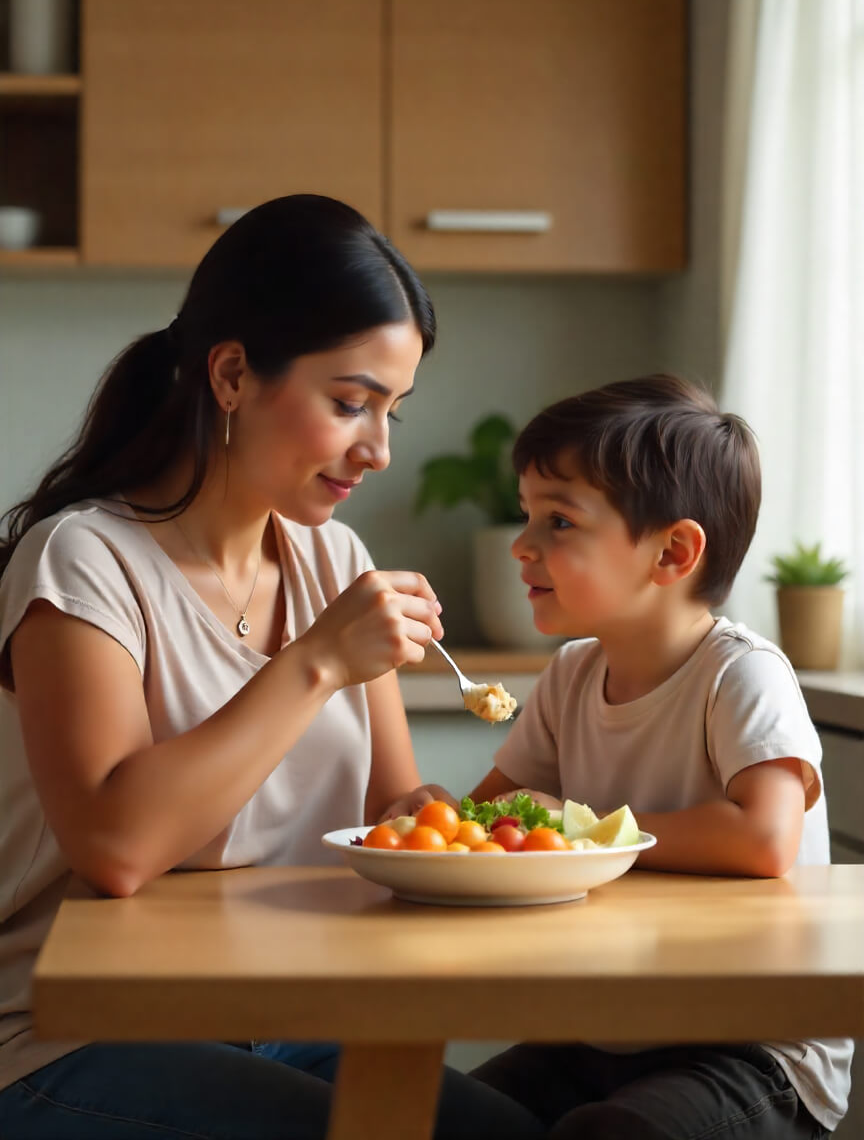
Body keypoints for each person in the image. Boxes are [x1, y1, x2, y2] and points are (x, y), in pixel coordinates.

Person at [0, 195, 544, 1140]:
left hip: (283, 1016)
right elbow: (115, 848)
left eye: (392, 412)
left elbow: (391, 806)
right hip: (69, 1035)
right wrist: (317, 660)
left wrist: (447, 824)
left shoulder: (335, 561)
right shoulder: (82, 561)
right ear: (232, 375)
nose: (379, 450)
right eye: (351, 404)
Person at [402, 375, 851, 1138]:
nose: (522, 545)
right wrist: (438, 817)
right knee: (429, 1119)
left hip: (750, 1049)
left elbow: (765, 838)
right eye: (526, 515)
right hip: (602, 1034)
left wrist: (581, 830)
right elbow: (498, 816)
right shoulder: (571, 674)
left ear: (672, 552)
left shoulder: (741, 675)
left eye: (559, 521)